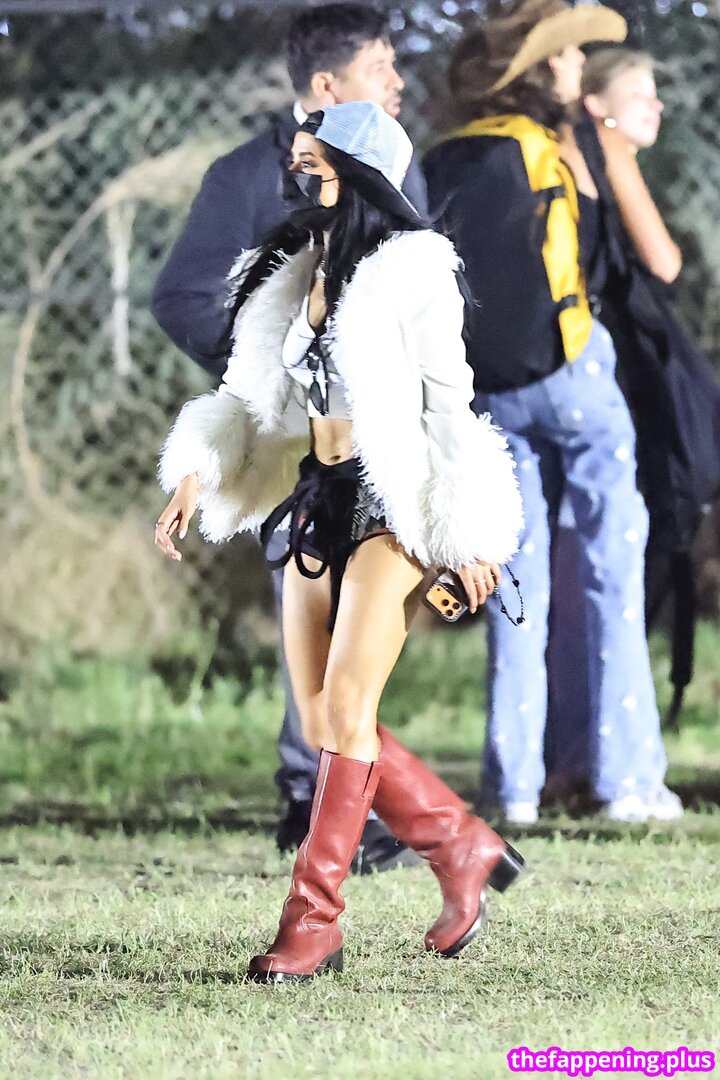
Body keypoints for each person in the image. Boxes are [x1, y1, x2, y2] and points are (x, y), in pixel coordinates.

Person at [155, 101, 525, 983]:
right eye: (297, 162)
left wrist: (470, 536)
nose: (297, 176)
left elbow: (450, 406)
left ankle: (312, 922)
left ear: (360, 172)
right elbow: (245, 395)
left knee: (350, 706)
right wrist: (195, 473)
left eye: (314, 164)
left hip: (392, 499)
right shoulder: (293, 269)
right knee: (324, 717)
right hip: (315, 498)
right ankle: (460, 845)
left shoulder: (415, 269)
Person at [152, 3, 428, 868]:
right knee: (320, 650)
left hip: (384, 454)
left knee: (361, 645)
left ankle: (359, 814)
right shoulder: (246, 175)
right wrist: (279, 373)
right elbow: (183, 296)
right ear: (326, 85)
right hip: (300, 458)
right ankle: (319, 801)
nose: (398, 81)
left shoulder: (393, 162)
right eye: (381, 67)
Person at [423, 0, 682, 826]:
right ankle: (627, 782)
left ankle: (514, 789)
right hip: (575, 375)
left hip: (490, 387)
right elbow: (647, 261)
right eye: (566, 57)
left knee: (515, 587)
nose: (576, 67)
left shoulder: (450, 153)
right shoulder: (560, 144)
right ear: (541, 70)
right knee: (612, 575)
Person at [545, 47, 720, 808]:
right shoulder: (603, 149)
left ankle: (563, 762)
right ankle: (602, 764)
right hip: (602, 385)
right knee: (607, 575)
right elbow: (665, 261)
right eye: (640, 93)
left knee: (569, 574)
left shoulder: (553, 149)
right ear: (598, 104)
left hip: (558, 369)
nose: (656, 106)